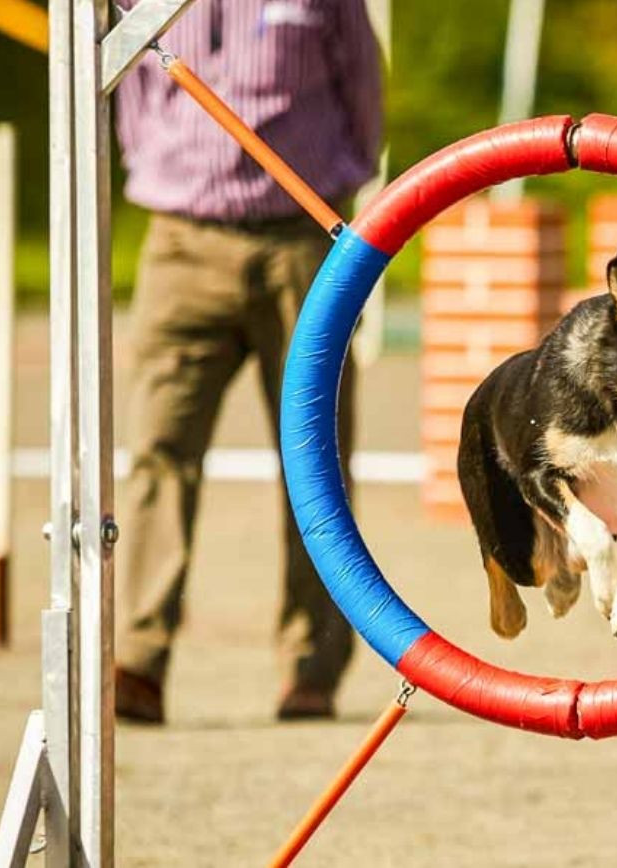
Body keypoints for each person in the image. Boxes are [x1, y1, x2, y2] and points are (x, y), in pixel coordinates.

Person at [111, 0, 383, 723]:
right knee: (157, 451)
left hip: (299, 239)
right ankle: (137, 661)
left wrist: (339, 194)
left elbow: (362, 89)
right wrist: (166, 170)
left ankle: (310, 669)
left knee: (314, 460)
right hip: (181, 241)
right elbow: (129, 90)